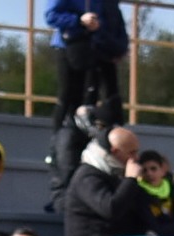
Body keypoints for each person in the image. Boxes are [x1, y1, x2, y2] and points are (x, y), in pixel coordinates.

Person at [65, 126, 173, 236]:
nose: (136, 158)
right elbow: (111, 209)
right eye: (132, 153)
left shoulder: (116, 172)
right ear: (115, 151)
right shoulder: (87, 176)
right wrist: (130, 180)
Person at [46, 0, 127, 195]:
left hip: (94, 52)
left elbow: (112, 25)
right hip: (71, 47)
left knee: (90, 104)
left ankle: (87, 151)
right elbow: (51, 16)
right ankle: (57, 156)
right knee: (68, 99)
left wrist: (113, 47)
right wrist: (79, 21)